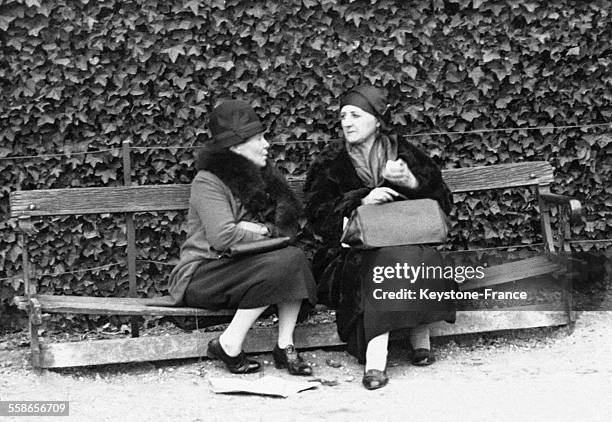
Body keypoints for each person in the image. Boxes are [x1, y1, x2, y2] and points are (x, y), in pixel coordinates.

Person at [304, 85, 456, 390]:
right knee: (384, 259)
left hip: (408, 239)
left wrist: (412, 181)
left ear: (376, 120)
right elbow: (317, 217)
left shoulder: (404, 152)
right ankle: (379, 357)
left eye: (356, 115)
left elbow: (442, 200)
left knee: (410, 254)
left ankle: (412, 340)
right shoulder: (330, 161)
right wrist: (361, 201)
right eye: (343, 116)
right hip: (351, 252)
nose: (347, 122)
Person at [167, 99, 317, 376]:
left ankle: (285, 345)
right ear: (236, 147)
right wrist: (260, 231)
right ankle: (228, 343)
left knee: (293, 258)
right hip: (202, 274)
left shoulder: (262, 179)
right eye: (258, 138)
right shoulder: (207, 181)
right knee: (284, 261)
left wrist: (252, 229)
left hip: (243, 267)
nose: (266, 145)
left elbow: (282, 229)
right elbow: (224, 236)